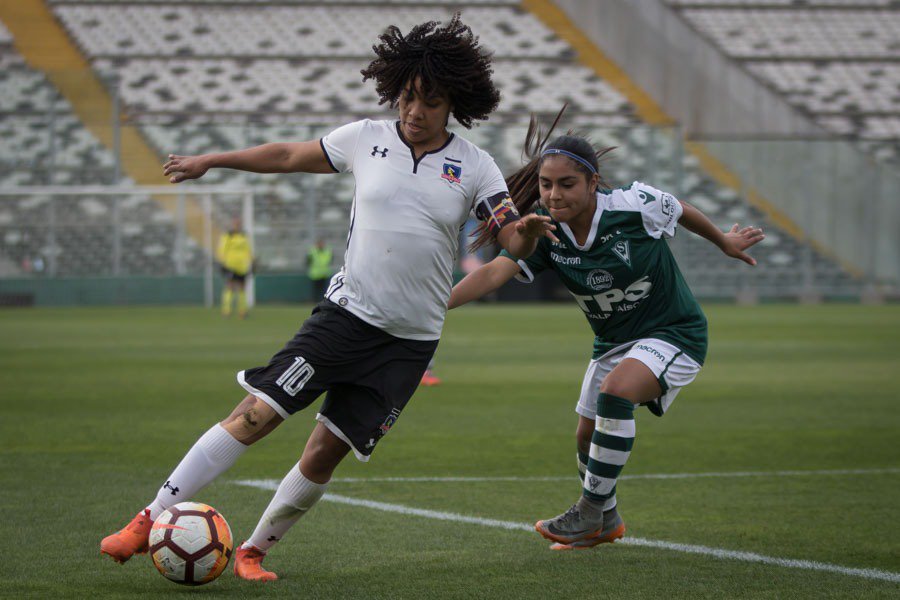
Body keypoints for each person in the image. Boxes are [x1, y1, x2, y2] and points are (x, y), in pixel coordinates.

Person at [99, 15, 556, 581]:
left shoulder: (477, 166)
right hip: (346, 318)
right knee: (254, 416)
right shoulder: (366, 138)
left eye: (431, 102)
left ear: (453, 104)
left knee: (323, 454)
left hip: (409, 344)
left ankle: (252, 552)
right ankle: (149, 518)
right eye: (409, 97)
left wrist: (528, 233)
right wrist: (211, 161)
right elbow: (289, 156)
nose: (415, 111)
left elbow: (509, 233)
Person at [449, 119, 764, 550]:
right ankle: (608, 518)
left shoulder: (634, 205)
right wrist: (437, 305)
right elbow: (494, 272)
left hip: (675, 333)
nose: (554, 194)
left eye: (567, 184)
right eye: (545, 184)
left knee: (616, 393)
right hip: (613, 344)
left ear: (593, 181)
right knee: (585, 435)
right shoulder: (543, 231)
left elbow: (680, 208)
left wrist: (723, 241)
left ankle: (588, 511)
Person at [217, 216, 253, 318]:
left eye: (238, 223)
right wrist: (222, 262)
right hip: (230, 264)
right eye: (235, 223)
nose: (237, 225)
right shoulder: (228, 235)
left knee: (242, 287)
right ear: (232, 224)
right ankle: (226, 310)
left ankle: (242, 311)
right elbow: (222, 249)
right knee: (230, 286)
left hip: (242, 266)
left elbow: (248, 250)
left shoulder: (244, 236)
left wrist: (251, 260)